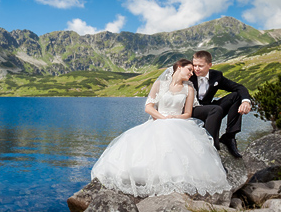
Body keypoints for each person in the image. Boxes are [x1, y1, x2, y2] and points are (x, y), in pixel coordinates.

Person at [90, 59, 231, 199]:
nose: (191, 74)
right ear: (179, 67)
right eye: (189, 70)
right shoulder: (159, 85)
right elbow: (148, 107)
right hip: (158, 120)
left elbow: (188, 113)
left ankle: (176, 178)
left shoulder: (188, 89)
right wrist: (163, 118)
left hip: (178, 122)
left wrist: (173, 118)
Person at [190, 50, 252, 158]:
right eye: (194, 65)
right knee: (215, 109)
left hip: (211, 110)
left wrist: (246, 101)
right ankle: (211, 147)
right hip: (193, 110)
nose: (196, 69)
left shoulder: (216, 76)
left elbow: (239, 87)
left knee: (236, 96)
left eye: (200, 66)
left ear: (209, 65)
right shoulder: (189, 75)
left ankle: (229, 136)